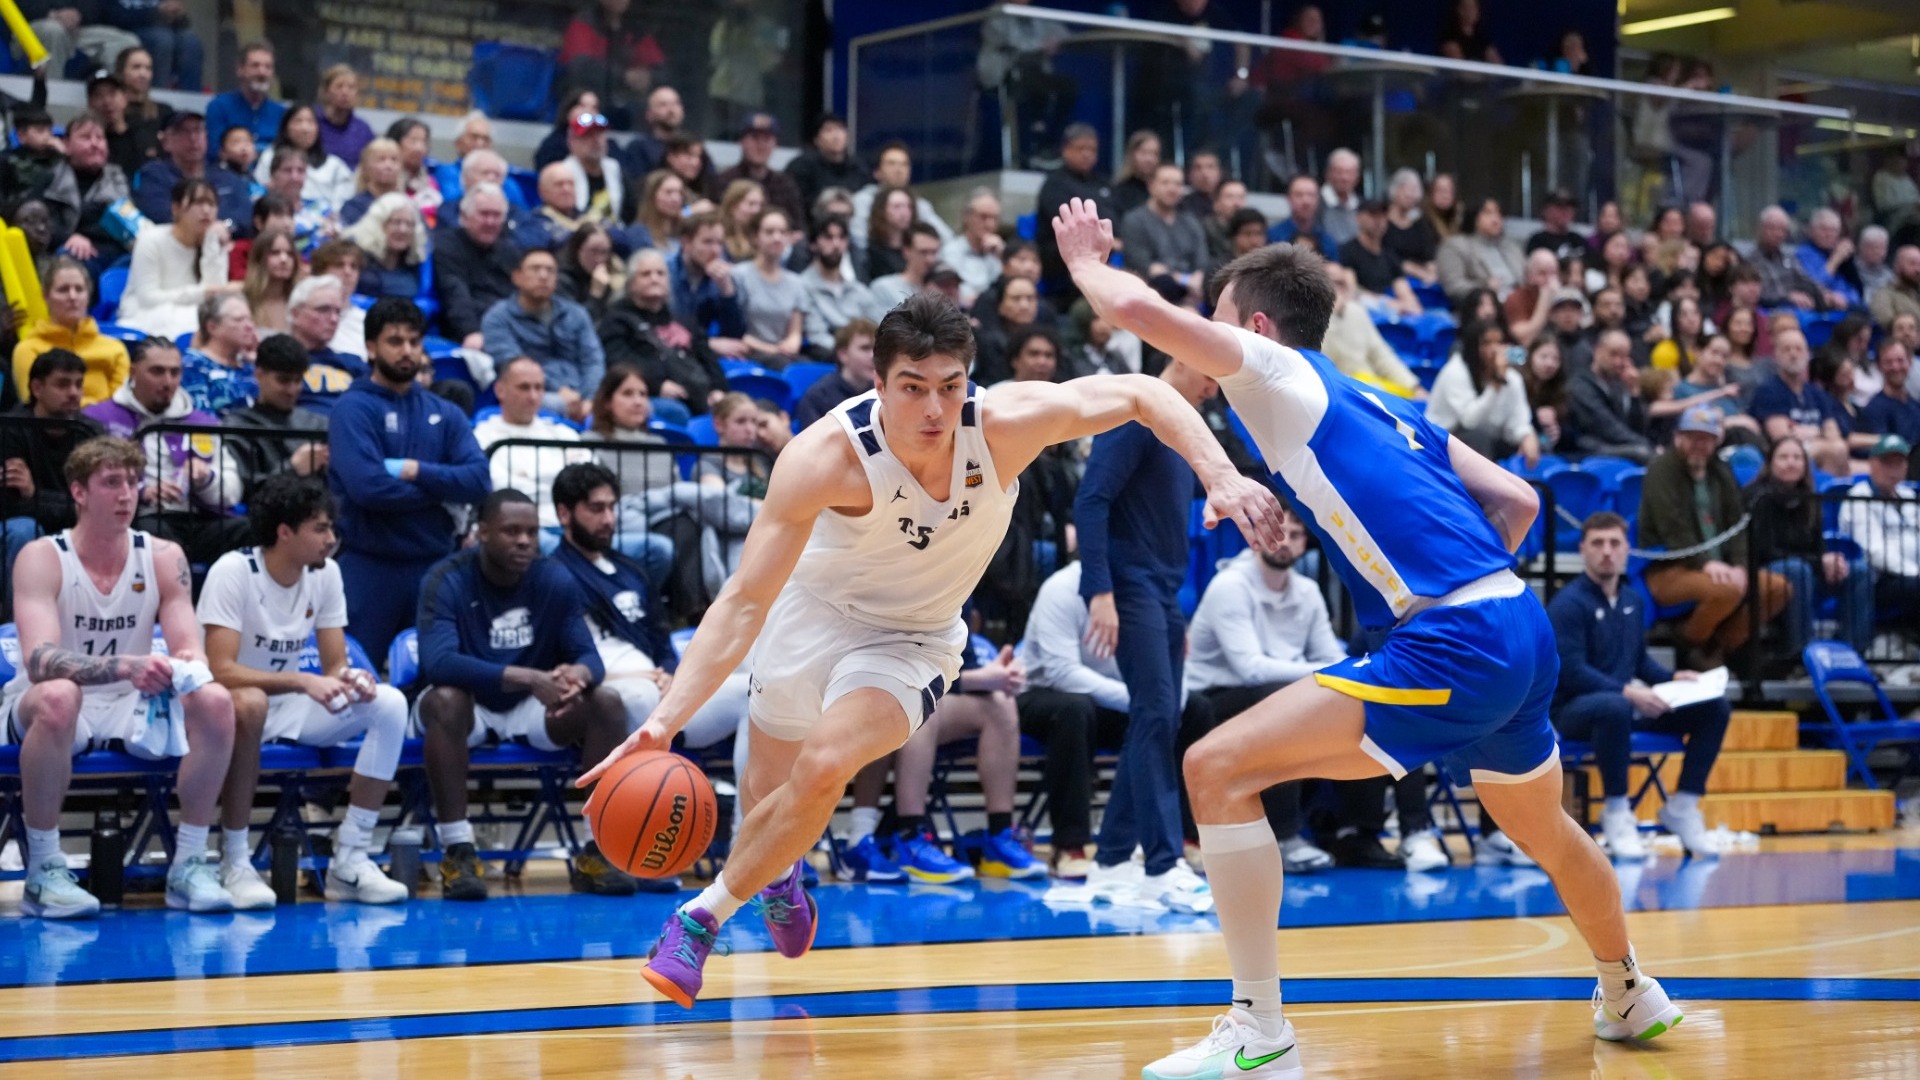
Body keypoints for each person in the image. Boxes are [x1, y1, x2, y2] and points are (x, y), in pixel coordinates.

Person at [1054, 198, 1687, 1074]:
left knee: (1216, 769)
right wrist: (1453, 593)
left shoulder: (1271, 373)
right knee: (1545, 827)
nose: (1206, 337)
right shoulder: (1384, 402)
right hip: (1518, 624)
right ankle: (1629, 991)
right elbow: (1521, 502)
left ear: (1261, 327)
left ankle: (1257, 1028)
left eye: (1220, 317)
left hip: (1457, 641)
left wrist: (1088, 264)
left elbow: (1135, 313)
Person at [574, 289, 1281, 1006]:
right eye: (913, 389)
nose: (934, 410)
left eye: (950, 387)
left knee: (827, 761)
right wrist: (662, 726)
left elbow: (1139, 393)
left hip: (915, 637)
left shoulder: (1003, 426)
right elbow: (744, 602)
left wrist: (1219, 473)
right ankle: (777, 873)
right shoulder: (823, 457)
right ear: (877, 384)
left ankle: (698, 921)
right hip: (813, 615)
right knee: (766, 794)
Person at [4, 436, 238, 918]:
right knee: (58, 695)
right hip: (46, 701)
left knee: (215, 700)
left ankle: (190, 863)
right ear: (79, 492)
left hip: (131, 701)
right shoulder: (42, 556)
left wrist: (184, 669)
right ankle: (43, 871)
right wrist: (126, 667)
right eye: (111, 483)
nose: (127, 494)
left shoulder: (162, 555)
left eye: (133, 482)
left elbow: (188, 645)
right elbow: (40, 660)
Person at [197, 474, 410, 907]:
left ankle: (351, 858)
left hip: (292, 706)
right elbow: (220, 671)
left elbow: (334, 665)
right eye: (320, 528)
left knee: (388, 703)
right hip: (233, 706)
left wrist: (352, 679)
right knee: (251, 704)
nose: (331, 539)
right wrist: (302, 680)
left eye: (332, 527)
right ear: (284, 532)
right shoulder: (232, 571)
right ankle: (234, 862)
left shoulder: (326, 573)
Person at [414, 488, 637, 900]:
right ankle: (457, 849)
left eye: (532, 532)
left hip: (530, 709)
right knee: (445, 699)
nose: (523, 541)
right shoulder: (447, 578)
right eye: (511, 531)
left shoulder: (553, 579)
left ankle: (597, 849)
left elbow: (591, 656)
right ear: (482, 533)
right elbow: (437, 663)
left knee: (606, 703)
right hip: (469, 706)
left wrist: (580, 672)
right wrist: (527, 676)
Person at [1185, 512, 1372, 875]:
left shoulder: (1307, 590)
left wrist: (1344, 677)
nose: (1285, 541)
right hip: (1213, 698)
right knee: (1285, 700)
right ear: (1255, 536)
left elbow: (1331, 657)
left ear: (1305, 544)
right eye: (1277, 532)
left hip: (1273, 690)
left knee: (1360, 698)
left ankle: (1357, 832)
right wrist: (1319, 676)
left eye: (1296, 534)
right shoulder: (1230, 586)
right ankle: (1286, 836)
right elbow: (1250, 668)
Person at [1549, 511, 1730, 860]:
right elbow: (1570, 670)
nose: (1607, 551)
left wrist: (1674, 679)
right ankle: (1617, 812)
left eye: (1614, 543)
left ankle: (1683, 806)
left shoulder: (1633, 600)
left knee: (1713, 708)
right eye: (1598, 543)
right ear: (1583, 549)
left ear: (1627, 550)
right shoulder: (1568, 604)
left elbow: (1639, 662)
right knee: (1614, 707)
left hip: (1623, 706)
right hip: (1572, 710)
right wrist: (1628, 693)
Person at [327, 298, 491, 664]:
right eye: (395, 341)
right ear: (371, 347)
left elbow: (479, 480)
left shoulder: (443, 412)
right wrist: (443, 493)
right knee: (357, 683)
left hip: (433, 566)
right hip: (369, 565)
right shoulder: (352, 409)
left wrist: (416, 470)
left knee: (438, 684)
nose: (407, 351)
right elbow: (368, 488)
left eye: (415, 342)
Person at [1640, 405, 1788, 668]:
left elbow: (1738, 524)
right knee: (1726, 590)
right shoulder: (1661, 470)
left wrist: (1741, 567)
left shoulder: (1721, 470)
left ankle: (1718, 648)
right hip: (1670, 566)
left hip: (1721, 567)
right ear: (1679, 438)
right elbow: (1672, 528)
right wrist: (1706, 563)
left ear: (1716, 442)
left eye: (1706, 438)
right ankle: (1689, 643)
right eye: (1693, 437)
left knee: (1777, 588)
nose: (1700, 444)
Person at [82, 335, 249, 563]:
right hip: (140, 518)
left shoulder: (203, 422)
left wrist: (206, 478)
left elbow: (232, 493)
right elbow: (85, 481)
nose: (168, 381)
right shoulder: (99, 418)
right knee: (153, 533)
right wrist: (141, 491)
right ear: (132, 372)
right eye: (157, 372)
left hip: (198, 519)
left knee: (247, 530)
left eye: (175, 372)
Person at [1747, 437, 1874, 656]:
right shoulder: (1758, 496)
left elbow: (1817, 547)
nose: (1791, 463)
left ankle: (1852, 652)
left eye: (1797, 458)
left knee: (1859, 571)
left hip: (1805, 567)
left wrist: (1831, 561)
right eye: (1784, 457)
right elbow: (1765, 550)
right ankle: (1802, 654)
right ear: (1770, 463)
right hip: (1766, 570)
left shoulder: (1809, 498)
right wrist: (1817, 562)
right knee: (1797, 570)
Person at [0, 350, 105, 593]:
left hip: (75, 526)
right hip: (21, 527)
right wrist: (70, 506)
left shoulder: (90, 432)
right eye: (62, 384)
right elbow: (10, 505)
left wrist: (34, 494)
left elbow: (95, 508)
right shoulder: (10, 428)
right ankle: (14, 624)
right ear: (37, 388)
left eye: (79, 384)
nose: (73, 393)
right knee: (23, 529)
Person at [600, 248, 728, 420]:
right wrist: (656, 385)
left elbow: (709, 360)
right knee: (675, 412)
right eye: (646, 274)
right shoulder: (617, 321)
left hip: (699, 394)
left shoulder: (685, 321)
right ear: (631, 284)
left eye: (660, 274)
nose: (654, 279)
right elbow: (619, 362)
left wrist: (717, 390)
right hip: (653, 396)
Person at [481, 248, 606, 423]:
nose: (543, 275)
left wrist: (589, 398)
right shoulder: (498, 318)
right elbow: (513, 364)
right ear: (517, 276)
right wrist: (560, 390)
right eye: (535, 269)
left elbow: (593, 360)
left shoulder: (576, 313)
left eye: (550, 270)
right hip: (534, 392)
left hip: (581, 395)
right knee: (548, 403)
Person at [119, 177, 237, 340]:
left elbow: (215, 294)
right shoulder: (150, 239)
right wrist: (202, 293)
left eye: (212, 204)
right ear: (176, 208)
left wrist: (211, 243)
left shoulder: (214, 240)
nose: (206, 210)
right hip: (148, 313)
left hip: (194, 313)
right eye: (198, 203)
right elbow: (148, 298)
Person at [13, 258, 127, 407]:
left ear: (88, 296)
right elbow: (33, 403)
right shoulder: (28, 349)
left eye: (79, 289)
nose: (73, 297)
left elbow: (121, 408)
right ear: (45, 296)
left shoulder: (115, 349)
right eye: (63, 290)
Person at [223, 334, 326, 496]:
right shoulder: (238, 426)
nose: (292, 390)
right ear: (259, 375)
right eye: (283, 380)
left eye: (298, 380)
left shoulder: (317, 424)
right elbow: (244, 489)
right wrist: (292, 468)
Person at [1427, 319, 1538, 465]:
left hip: (1488, 442)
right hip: (1443, 441)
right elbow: (1470, 421)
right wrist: (1496, 384)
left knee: (1536, 444)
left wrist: (1527, 436)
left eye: (1499, 342)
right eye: (1487, 343)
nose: (1494, 349)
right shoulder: (1455, 372)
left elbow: (1518, 422)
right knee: (1479, 437)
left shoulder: (1512, 378)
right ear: (1474, 346)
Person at [1839, 434, 1920, 621]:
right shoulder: (1858, 497)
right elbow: (1873, 552)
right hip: (1878, 579)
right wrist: (1914, 573)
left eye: (1899, 463)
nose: (1893, 469)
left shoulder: (1908, 495)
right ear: (1872, 464)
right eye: (1887, 463)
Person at [434, 183, 522, 351]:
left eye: (496, 215)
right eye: (483, 214)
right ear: (464, 217)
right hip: (471, 331)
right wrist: (470, 332)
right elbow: (454, 292)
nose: (490, 222)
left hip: (510, 329)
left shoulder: (509, 250)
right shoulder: (447, 245)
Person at [1751, 328, 1850, 477]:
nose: (1793, 354)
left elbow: (1834, 434)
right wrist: (1821, 434)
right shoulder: (1769, 391)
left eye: (1798, 349)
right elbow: (1784, 440)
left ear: (1807, 354)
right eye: (1787, 349)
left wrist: (1815, 432)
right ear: (1776, 355)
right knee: (1837, 450)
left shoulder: (1817, 393)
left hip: (1818, 452)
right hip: (1785, 459)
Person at [1317, 265, 1423, 399]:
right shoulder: (1312, 318)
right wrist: (1330, 314)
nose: (1338, 289)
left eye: (1341, 283)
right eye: (1333, 283)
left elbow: (1382, 355)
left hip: (1369, 387)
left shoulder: (1357, 311)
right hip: (1339, 393)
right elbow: (1322, 361)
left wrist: (1413, 386)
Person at [1034, 124, 1114, 301]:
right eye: (1081, 148)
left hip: (1102, 251)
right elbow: (1069, 223)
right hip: (1061, 258)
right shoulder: (1054, 185)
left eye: (1092, 149)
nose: (1087, 154)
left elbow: (1115, 217)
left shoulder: (1103, 183)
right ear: (1066, 150)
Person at [1120, 163, 1210, 309]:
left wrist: (1198, 279)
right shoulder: (1134, 220)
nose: (1172, 189)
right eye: (1165, 182)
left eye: (1178, 184)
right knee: (1164, 282)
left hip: (1192, 291)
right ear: (1151, 185)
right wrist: (1184, 279)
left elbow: (1201, 262)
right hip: (1151, 292)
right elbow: (1144, 266)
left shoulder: (1191, 222)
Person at [731, 209, 811, 369]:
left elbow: (795, 331)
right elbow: (734, 330)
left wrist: (790, 344)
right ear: (755, 237)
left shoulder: (796, 282)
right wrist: (772, 350)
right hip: (750, 352)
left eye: (782, 232)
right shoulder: (739, 275)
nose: (777, 238)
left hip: (783, 354)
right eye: (769, 232)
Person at [1568, 329, 1656, 463]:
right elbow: (1606, 426)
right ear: (1597, 351)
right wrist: (1646, 444)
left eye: (1624, 356)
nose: (1618, 362)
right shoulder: (1580, 385)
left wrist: (1634, 392)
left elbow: (1637, 429)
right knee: (1644, 454)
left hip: (1615, 448)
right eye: (1613, 354)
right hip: (1586, 452)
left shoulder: (1619, 386)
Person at [252, 104, 353, 212]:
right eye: (298, 121)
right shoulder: (270, 157)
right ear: (286, 126)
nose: (305, 129)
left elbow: (342, 202)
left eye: (310, 122)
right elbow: (259, 191)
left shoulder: (334, 165)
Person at [799, 215, 885, 338]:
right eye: (828, 237)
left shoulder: (858, 290)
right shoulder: (802, 286)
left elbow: (879, 328)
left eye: (842, 237)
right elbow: (816, 336)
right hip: (825, 354)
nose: (836, 244)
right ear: (813, 244)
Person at [668, 211, 747, 345]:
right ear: (686, 243)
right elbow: (663, 327)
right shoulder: (665, 273)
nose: (715, 250)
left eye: (719, 243)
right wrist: (709, 344)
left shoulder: (722, 278)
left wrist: (726, 289)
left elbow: (734, 336)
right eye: (708, 242)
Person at [204, 43, 285, 162]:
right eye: (255, 66)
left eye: (268, 67)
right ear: (240, 70)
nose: (262, 73)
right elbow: (215, 151)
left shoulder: (281, 113)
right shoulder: (219, 106)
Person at [180, 292, 257, 415]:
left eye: (250, 319)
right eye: (239, 320)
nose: (249, 326)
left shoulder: (253, 366)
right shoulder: (192, 365)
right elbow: (200, 417)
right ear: (212, 327)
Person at [1437, 196, 1526, 302]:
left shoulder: (1512, 247)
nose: (1496, 219)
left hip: (1520, 304)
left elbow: (1526, 278)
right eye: (1488, 213)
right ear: (1474, 216)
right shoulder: (1455, 246)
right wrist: (1484, 287)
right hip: (1483, 307)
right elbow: (1453, 286)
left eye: (1498, 213)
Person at [345, 193, 427, 303]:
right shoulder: (354, 257)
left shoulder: (416, 265)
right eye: (396, 222)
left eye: (409, 224)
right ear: (378, 224)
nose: (403, 230)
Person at [794, 320, 876, 429]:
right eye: (865, 348)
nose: (873, 356)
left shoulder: (884, 393)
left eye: (877, 349)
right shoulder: (817, 397)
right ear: (843, 354)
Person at [784, 112, 863, 220]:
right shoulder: (801, 167)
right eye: (829, 130)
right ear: (816, 139)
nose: (836, 136)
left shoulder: (859, 168)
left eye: (840, 129)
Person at [942, 189, 1006, 308]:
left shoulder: (1000, 251)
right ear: (966, 217)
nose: (990, 225)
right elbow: (955, 294)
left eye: (995, 218)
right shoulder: (951, 251)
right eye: (983, 217)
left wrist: (1002, 257)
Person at [868, 222, 945, 310]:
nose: (930, 259)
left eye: (934, 252)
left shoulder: (943, 288)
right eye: (923, 252)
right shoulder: (884, 288)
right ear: (906, 251)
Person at [1861, 340, 1920, 448]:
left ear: (1910, 363)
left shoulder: (1915, 406)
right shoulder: (1874, 409)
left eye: (1900, 361)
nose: (1896, 367)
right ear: (1879, 367)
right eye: (1888, 362)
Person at [314, 63, 374, 168]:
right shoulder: (312, 122)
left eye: (351, 87)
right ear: (326, 91)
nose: (345, 92)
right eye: (339, 86)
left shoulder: (363, 130)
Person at [1266, 174, 1336, 258]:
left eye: (1311, 195)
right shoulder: (1272, 237)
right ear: (1288, 198)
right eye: (1299, 195)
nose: (1306, 201)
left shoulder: (1328, 240)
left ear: (1318, 199)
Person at [1526, 188, 1585, 262]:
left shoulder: (1579, 240)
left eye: (1570, 207)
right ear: (1546, 211)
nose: (1566, 211)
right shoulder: (1537, 242)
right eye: (1560, 206)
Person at [1871, 245, 1920, 329]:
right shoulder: (1884, 295)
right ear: (1897, 267)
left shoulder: (1916, 294)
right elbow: (1888, 325)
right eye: (1912, 264)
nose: (1918, 270)